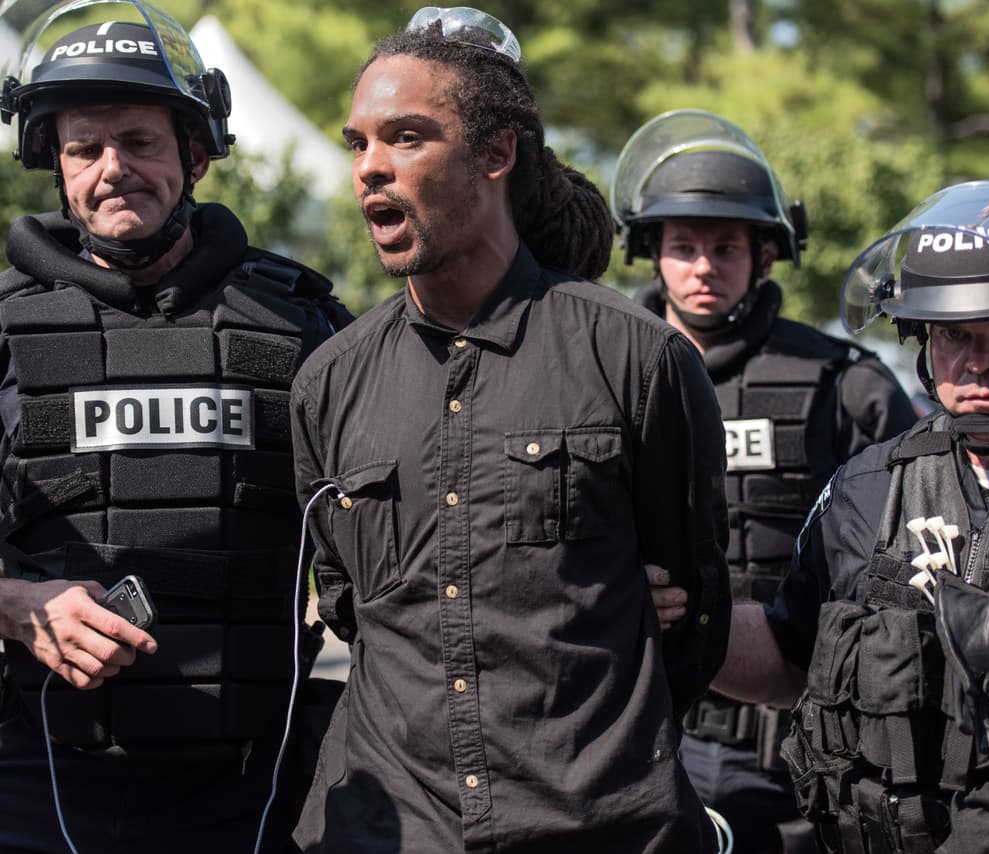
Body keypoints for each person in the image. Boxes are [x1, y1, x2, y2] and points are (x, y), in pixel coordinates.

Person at [0, 1, 351, 851]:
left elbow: (403, 533)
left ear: (194, 153)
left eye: (141, 142)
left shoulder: (304, 328)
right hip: (41, 780)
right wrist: (9, 606)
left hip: (262, 784)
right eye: (85, 147)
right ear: (56, 165)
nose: (114, 168)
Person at [289, 6, 732, 852]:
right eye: (359, 143)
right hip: (384, 830)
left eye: (407, 138)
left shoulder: (639, 360)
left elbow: (694, 623)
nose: (370, 169)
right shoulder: (329, 383)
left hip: (601, 828)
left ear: (496, 155)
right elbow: (351, 608)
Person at [712, 176, 989, 852]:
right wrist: (675, 611)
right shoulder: (868, 486)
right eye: (955, 335)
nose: (981, 362)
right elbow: (790, 660)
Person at [612, 109, 918, 853]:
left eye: (726, 247)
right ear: (653, 254)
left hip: (797, 745)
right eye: (683, 247)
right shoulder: (598, 371)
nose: (704, 267)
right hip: (636, 736)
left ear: (767, 255)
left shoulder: (846, 384)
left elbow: (915, 553)